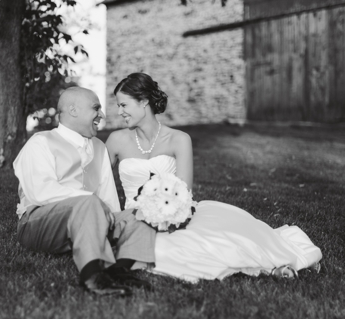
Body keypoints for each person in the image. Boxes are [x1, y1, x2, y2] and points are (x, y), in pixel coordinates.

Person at [105, 72, 322, 282]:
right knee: (161, 250)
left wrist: (165, 216)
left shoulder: (179, 139)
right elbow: (99, 181)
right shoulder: (116, 140)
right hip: (132, 217)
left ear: (143, 101)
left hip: (175, 212)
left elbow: (184, 191)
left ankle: (272, 266)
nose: (119, 112)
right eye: (118, 106)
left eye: (123, 105)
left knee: (217, 241)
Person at [13, 86, 157, 296]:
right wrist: (90, 201)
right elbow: (40, 192)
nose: (102, 114)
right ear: (73, 110)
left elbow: (107, 196)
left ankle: (120, 270)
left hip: (90, 217)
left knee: (142, 214)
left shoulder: (98, 147)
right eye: (96, 108)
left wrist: (119, 221)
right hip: (36, 222)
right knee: (88, 202)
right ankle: (92, 276)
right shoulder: (40, 142)